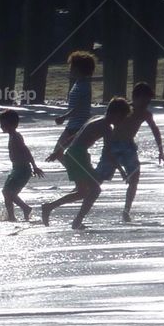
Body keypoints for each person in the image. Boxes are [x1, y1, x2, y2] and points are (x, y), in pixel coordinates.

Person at [41, 97, 132, 230]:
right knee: (95, 190)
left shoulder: (95, 118)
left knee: (83, 192)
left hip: (74, 153)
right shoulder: (106, 127)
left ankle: (50, 207)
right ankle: (76, 220)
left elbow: (75, 135)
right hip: (78, 155)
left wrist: (60, 150)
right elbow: (109, 152)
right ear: (116, 114)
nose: (122, 121)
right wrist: (122, 171)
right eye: (122, 117)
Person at [94, 82, 164, 222]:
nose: (146, 104)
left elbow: (155, 130)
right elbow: (106, 123)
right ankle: (83, 194)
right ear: (136, 97)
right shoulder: (125, 109)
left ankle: (126, 211)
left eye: (148, 101)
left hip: (128, 146)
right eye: (144, 100)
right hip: (113, 145)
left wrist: (160, 150)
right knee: (99, 178)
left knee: (134, 178)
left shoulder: (145, 113)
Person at [47, 51, 96, 162]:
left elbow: (78, 107)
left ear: (79, 69)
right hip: (73, 125)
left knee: (60, 152)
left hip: (79, 126)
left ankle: (78, 172)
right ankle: (76, 172)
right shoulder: (78, 83)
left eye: (72, 66)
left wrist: (64, 117)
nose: (70, 69)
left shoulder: (83, 86)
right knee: (59, 152)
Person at [0, 109, 44, 221]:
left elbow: (26, 151)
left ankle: (25, 208)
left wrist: (34, 166)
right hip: (16, 169)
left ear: (11, 124)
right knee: (7, 192)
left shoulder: (16, 137)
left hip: (22, 170)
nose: (1, 126)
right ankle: (11, 216)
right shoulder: (12, 136)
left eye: (3, 124)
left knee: (8, 192)